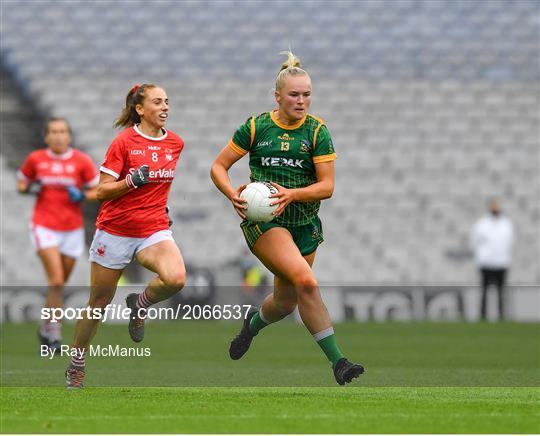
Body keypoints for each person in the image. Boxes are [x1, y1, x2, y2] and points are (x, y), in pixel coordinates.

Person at [210, 51, 364, 385]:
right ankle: (339, 362)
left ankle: (251, 325)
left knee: (285, 302)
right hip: (265, 223)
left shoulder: (317, 131)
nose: (301, 100)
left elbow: (327, 187)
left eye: (307, 94)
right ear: (277, 96)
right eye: (294, 94)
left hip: (304, 223)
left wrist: (292, 194)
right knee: (307, 282)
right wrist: (232, 194)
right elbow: (219, 167)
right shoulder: (256, 126)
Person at [65, 83, 186, 389]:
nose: (165, 107)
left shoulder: (175, 143)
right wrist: (130, 181)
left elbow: (160, 186)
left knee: (175, 278)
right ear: (140, 109)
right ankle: (77, 363)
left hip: (153, 228)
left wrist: (158, 205)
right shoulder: (123, 142)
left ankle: (140, 304)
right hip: (115, 231)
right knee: (99, 303)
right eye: (157, 102)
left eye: (167, 102)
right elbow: (101, 190)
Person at [17, 117, 99, 352]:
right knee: (56, 279)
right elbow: (22, 184)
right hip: (44, 225)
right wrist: (33, 187)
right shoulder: (36, 159)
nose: (58, 135)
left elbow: (97, 190)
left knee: (59, 284)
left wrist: (82, 195)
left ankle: (46, 326)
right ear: (46, 137)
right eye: (53, 131)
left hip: (72, 229)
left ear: (69, 136)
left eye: (63, 131)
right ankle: (54, 333)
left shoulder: (81, 161)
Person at [470, 199, 514, 321]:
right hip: (486, 263)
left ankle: (501, 316)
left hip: (502, 263)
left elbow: (509, 243)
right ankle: (482, 316)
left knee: (501, 292)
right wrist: (480, 258)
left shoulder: (506, 224)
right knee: (484, 291)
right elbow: (474, 242)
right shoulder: (482, 224)